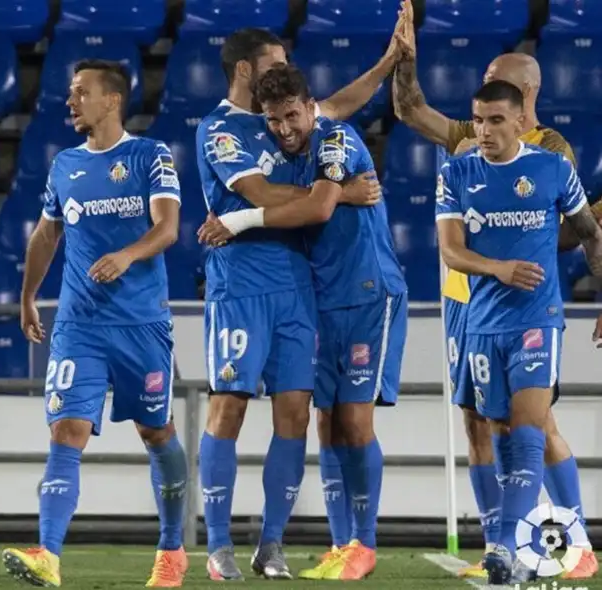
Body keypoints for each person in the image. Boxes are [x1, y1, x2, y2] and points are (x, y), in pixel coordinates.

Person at [191, 16, 409, 579]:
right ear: (246, 70)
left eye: (293, 111)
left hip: (298, 286)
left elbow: (335, 105)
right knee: (229, 406)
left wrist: (388, 63)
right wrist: (335, 194)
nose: (285, 71)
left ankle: (272, 545)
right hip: (241, 285)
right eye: (275, 63)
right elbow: (261, 192)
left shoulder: (294, 118)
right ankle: (218, 546)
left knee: (295, 413)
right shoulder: (221, 129)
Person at [392, 4, 599, 579]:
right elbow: (409, 110)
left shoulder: (551, 152)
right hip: (467, 302)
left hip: (525, 302)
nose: (481, 120)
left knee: (536, 425)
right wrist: (404, 61)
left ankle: (573, 540)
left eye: (495, 83)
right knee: (479, 423)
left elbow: (559, 234)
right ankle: (498, 543)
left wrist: (512, 260)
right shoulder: (472, 140)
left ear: (525, 96)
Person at [0, 59, 187, 588]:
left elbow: (168, 228)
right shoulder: (65, 165)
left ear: (112, 100)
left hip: (141, 324)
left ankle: (172, 549)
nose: (71, 100)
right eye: (70, 91)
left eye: (81, 92)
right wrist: (28, 295)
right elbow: (46, 235)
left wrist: (127, 255)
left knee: (156, 431)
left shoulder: (150, 156)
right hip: (79, 323)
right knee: (67, 429)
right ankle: (48, 554)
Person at [435, 80, 602, 584]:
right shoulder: (457, 173)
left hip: (538, 319)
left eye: (495, 121)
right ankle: (533, 546)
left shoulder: (553, 168)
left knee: (531, 427)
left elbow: (590, 233)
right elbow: (451, 251)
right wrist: (499, 269)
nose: (484, 131)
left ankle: (509, 547)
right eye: (478, 120)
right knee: (502, 433)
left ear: (520, 121)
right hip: (483, 322)